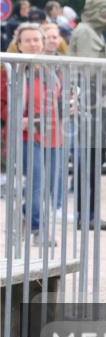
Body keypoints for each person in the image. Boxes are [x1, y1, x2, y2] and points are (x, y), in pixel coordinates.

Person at [0, 24, 62, 242]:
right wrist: (17, 117)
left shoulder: (52, 69)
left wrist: (69, 106)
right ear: (19, 45)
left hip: (53, 134)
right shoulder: (11, 70)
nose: (33, 44)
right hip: (26, 135)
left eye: (37, 39)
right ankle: (38, 229)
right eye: (28, 40)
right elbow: (2, 103)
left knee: (49, 184)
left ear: (44, 43)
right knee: (37, 181)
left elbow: (58, 100)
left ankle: (25, 216)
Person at [67, 0, 106, 230]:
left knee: (96, 159)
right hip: (91, 101)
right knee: (89, 160)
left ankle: (91, 212)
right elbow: (89, 69)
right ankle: (86, 214)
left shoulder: (94, 32)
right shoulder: (86, 32)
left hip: (97, 101)